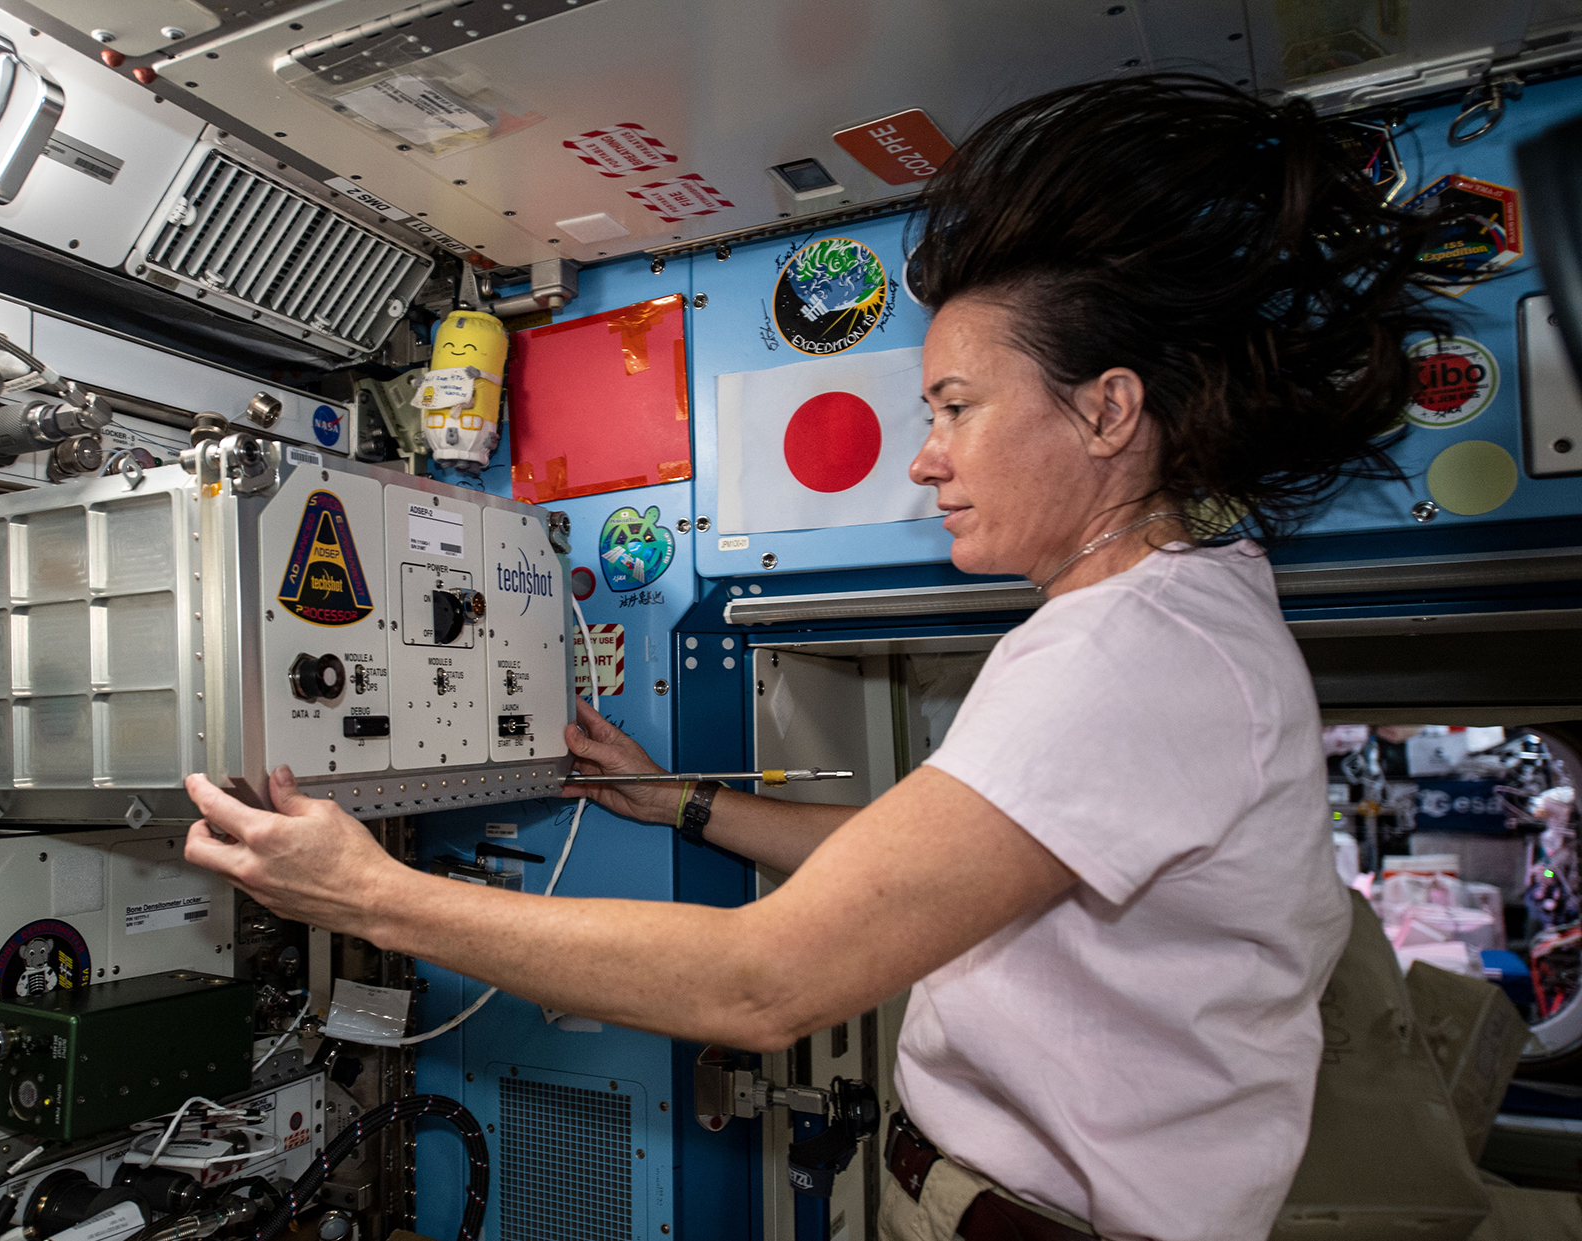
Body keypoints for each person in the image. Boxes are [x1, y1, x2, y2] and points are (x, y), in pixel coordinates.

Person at [182, 75, 1454, 1241]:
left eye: (955, 406)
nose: (925, 454)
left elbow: (761, 983)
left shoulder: (1126, 651)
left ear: (1106, 409)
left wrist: (369, 895)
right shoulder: (1186, 616)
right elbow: (922, 861)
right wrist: (674, 800)